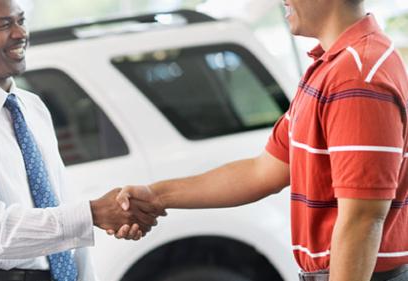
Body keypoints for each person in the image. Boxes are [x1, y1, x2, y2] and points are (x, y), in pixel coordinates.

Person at [115, 0, 408, 280]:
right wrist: (157, 196)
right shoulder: (332, 66)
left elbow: (363, 219)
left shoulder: (356, 78)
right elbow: (262, 171)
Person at [0, 1, 162, 280]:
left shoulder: (31, 106)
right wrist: (92, 215)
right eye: (4, 24)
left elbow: (59, 202)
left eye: (21, 20)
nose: (20, 33)